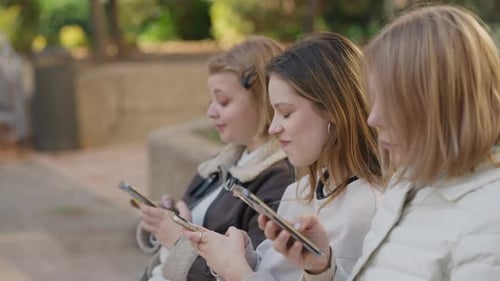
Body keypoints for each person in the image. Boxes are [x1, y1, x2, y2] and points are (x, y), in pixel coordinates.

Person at [261, 4, 500, 281]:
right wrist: (322, 269)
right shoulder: (406, 187)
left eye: (388, 100)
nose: (372, 118)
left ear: (436, 102)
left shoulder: (489, 217)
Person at [184, 32, 383, 281]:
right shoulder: (302, 190)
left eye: (286, 113)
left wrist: (236, 271)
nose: (273, 128)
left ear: (334, 110)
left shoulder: (364, 208)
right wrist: (245, 256)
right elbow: (276, 271)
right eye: (273, 113)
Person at [135, 36, 294, 281]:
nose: (211, 112)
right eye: (211, 101)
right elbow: (182, 229)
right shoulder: (219, 166)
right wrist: (165, 219)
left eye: (223, 101)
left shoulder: (278, 182)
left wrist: (177, 240)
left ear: (263, 100)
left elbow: (248, 275)